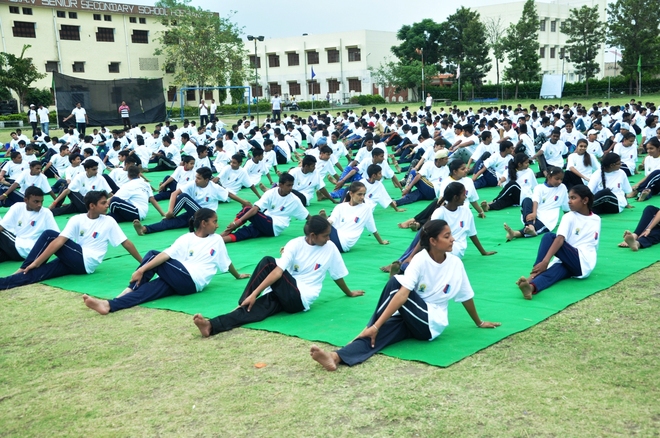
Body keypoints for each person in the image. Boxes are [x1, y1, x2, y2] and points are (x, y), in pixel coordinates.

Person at [310, 219, 500, 371]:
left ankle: (369, 327)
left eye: (451, 235)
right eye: (447, 236)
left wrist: (479, 322)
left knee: (394, 284)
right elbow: (402, 295)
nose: (452, 239)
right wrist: (378, 326)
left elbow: (465, 295)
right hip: (411, 317)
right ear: (433, 241)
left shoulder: (455, 263)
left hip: (431, 323)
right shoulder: (420, 260)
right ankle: (335, 357)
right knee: (379, 335)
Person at [192, 215, 364, 337]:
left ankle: (244, 301)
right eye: (325, 235)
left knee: (268, 262)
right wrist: (255, 296)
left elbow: (337, 275)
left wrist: (349, 293)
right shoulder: (295, 244)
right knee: (254, 310)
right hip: (285, 292)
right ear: (313, 235)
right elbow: (279, 271)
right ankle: (211, 326)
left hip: (300, 298)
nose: (328, 238)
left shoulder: (331, 248)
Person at [82, 208, 251, 315]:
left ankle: (125, 290)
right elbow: (168, 255)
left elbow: (226, 262)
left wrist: (237, 275)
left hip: (191, 281)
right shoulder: (186, 238)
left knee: (153, 254)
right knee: (145, 291)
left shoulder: (217, 240)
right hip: (178, 278)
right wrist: (143, 270)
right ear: (203, 223)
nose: (217, 225)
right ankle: (109, 305)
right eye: (214, 222)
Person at [0, 191, 142, 290]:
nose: (107, 205)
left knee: (49, 234)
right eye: (103, 203)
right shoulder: (77, 219)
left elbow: (126, 243)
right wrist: (36, 264)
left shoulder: (109, 221)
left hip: (85, 261)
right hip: (73, 259)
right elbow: (59, 242)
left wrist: (143, 264)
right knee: (37, 274)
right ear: (92, 205)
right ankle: (4, 283)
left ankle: (23, 268)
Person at [382, 182, 496, 273]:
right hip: (438, 245)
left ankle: (402, 266)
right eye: (463, 194)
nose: (466, 197)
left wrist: (483, 252)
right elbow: (425, 235)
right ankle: (404, 263)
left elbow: (472, 234)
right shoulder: (440, 212)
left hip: (454, 249)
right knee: (424, 232)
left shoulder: (466, 212)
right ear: (456, 197)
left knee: (425, 248)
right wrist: (412, 256)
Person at [517, 185, 600, 300]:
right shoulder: (589, 218)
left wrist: (545, 262)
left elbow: (559, 239)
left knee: (549, 237)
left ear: (585, 200)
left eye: (573, 198)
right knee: (552, 274)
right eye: (569, 198)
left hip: (581, 260)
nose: (569, 201)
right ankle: (530, 288)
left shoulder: (585, 218)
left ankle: (533, 274)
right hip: (579, 266)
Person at [134, 167, 249, 235]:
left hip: (206, 214)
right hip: (194, 214)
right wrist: (169, 211)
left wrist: (243, 201)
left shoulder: (214, 187)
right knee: (170, 223)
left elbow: (229, 194)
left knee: (184, 197)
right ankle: (145, 229)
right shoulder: (193, 184)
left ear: (207, 180)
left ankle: (171, 215)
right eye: (196, 177)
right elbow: (174, 193)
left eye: (199, 178)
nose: (196, 180)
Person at [222, 173, 309, 243]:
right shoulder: (271, 193)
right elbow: (256, 208)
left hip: (273, 226)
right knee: (246, 232)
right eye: (288, 185)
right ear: (281, 185)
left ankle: (227, 231)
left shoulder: (294, 200)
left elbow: (308, 216)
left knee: (247, 209)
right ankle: (220, 240)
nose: (291, 188)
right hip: (265, 222)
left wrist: (236, 223)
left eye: (292, 185)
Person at [321, 181, 389, 253]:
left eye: (364, 194)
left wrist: (381, 241)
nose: (362, 197)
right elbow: (332, 220)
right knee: (315, 224)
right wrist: (325, 222)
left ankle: (323, 222)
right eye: (359, 194)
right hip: (334, 236)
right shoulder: (340, 207)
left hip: (343, 243)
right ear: (351, 194)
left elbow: (372, 228)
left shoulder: (366, 208)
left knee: (315, 224)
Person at [504, 166, 569, 241]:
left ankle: (515, 233)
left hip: (547, 219)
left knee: (539, 226)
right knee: (527, 200)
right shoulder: (539, 187)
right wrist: (534, 213)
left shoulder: (562, 188)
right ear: (549, 177)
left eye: (561, 179)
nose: (559, 181)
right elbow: (535, 200)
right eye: (557, 179)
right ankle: (530, 226)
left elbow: (566, 207)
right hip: (534, 214)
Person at [0, 186, 59, 263]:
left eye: (41, 201)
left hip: (25, 248)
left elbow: (57, 236)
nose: (40, 205)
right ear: (26, 200)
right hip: (16, 251)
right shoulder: (17, 207)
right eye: (36, 201)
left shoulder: (46, 213)